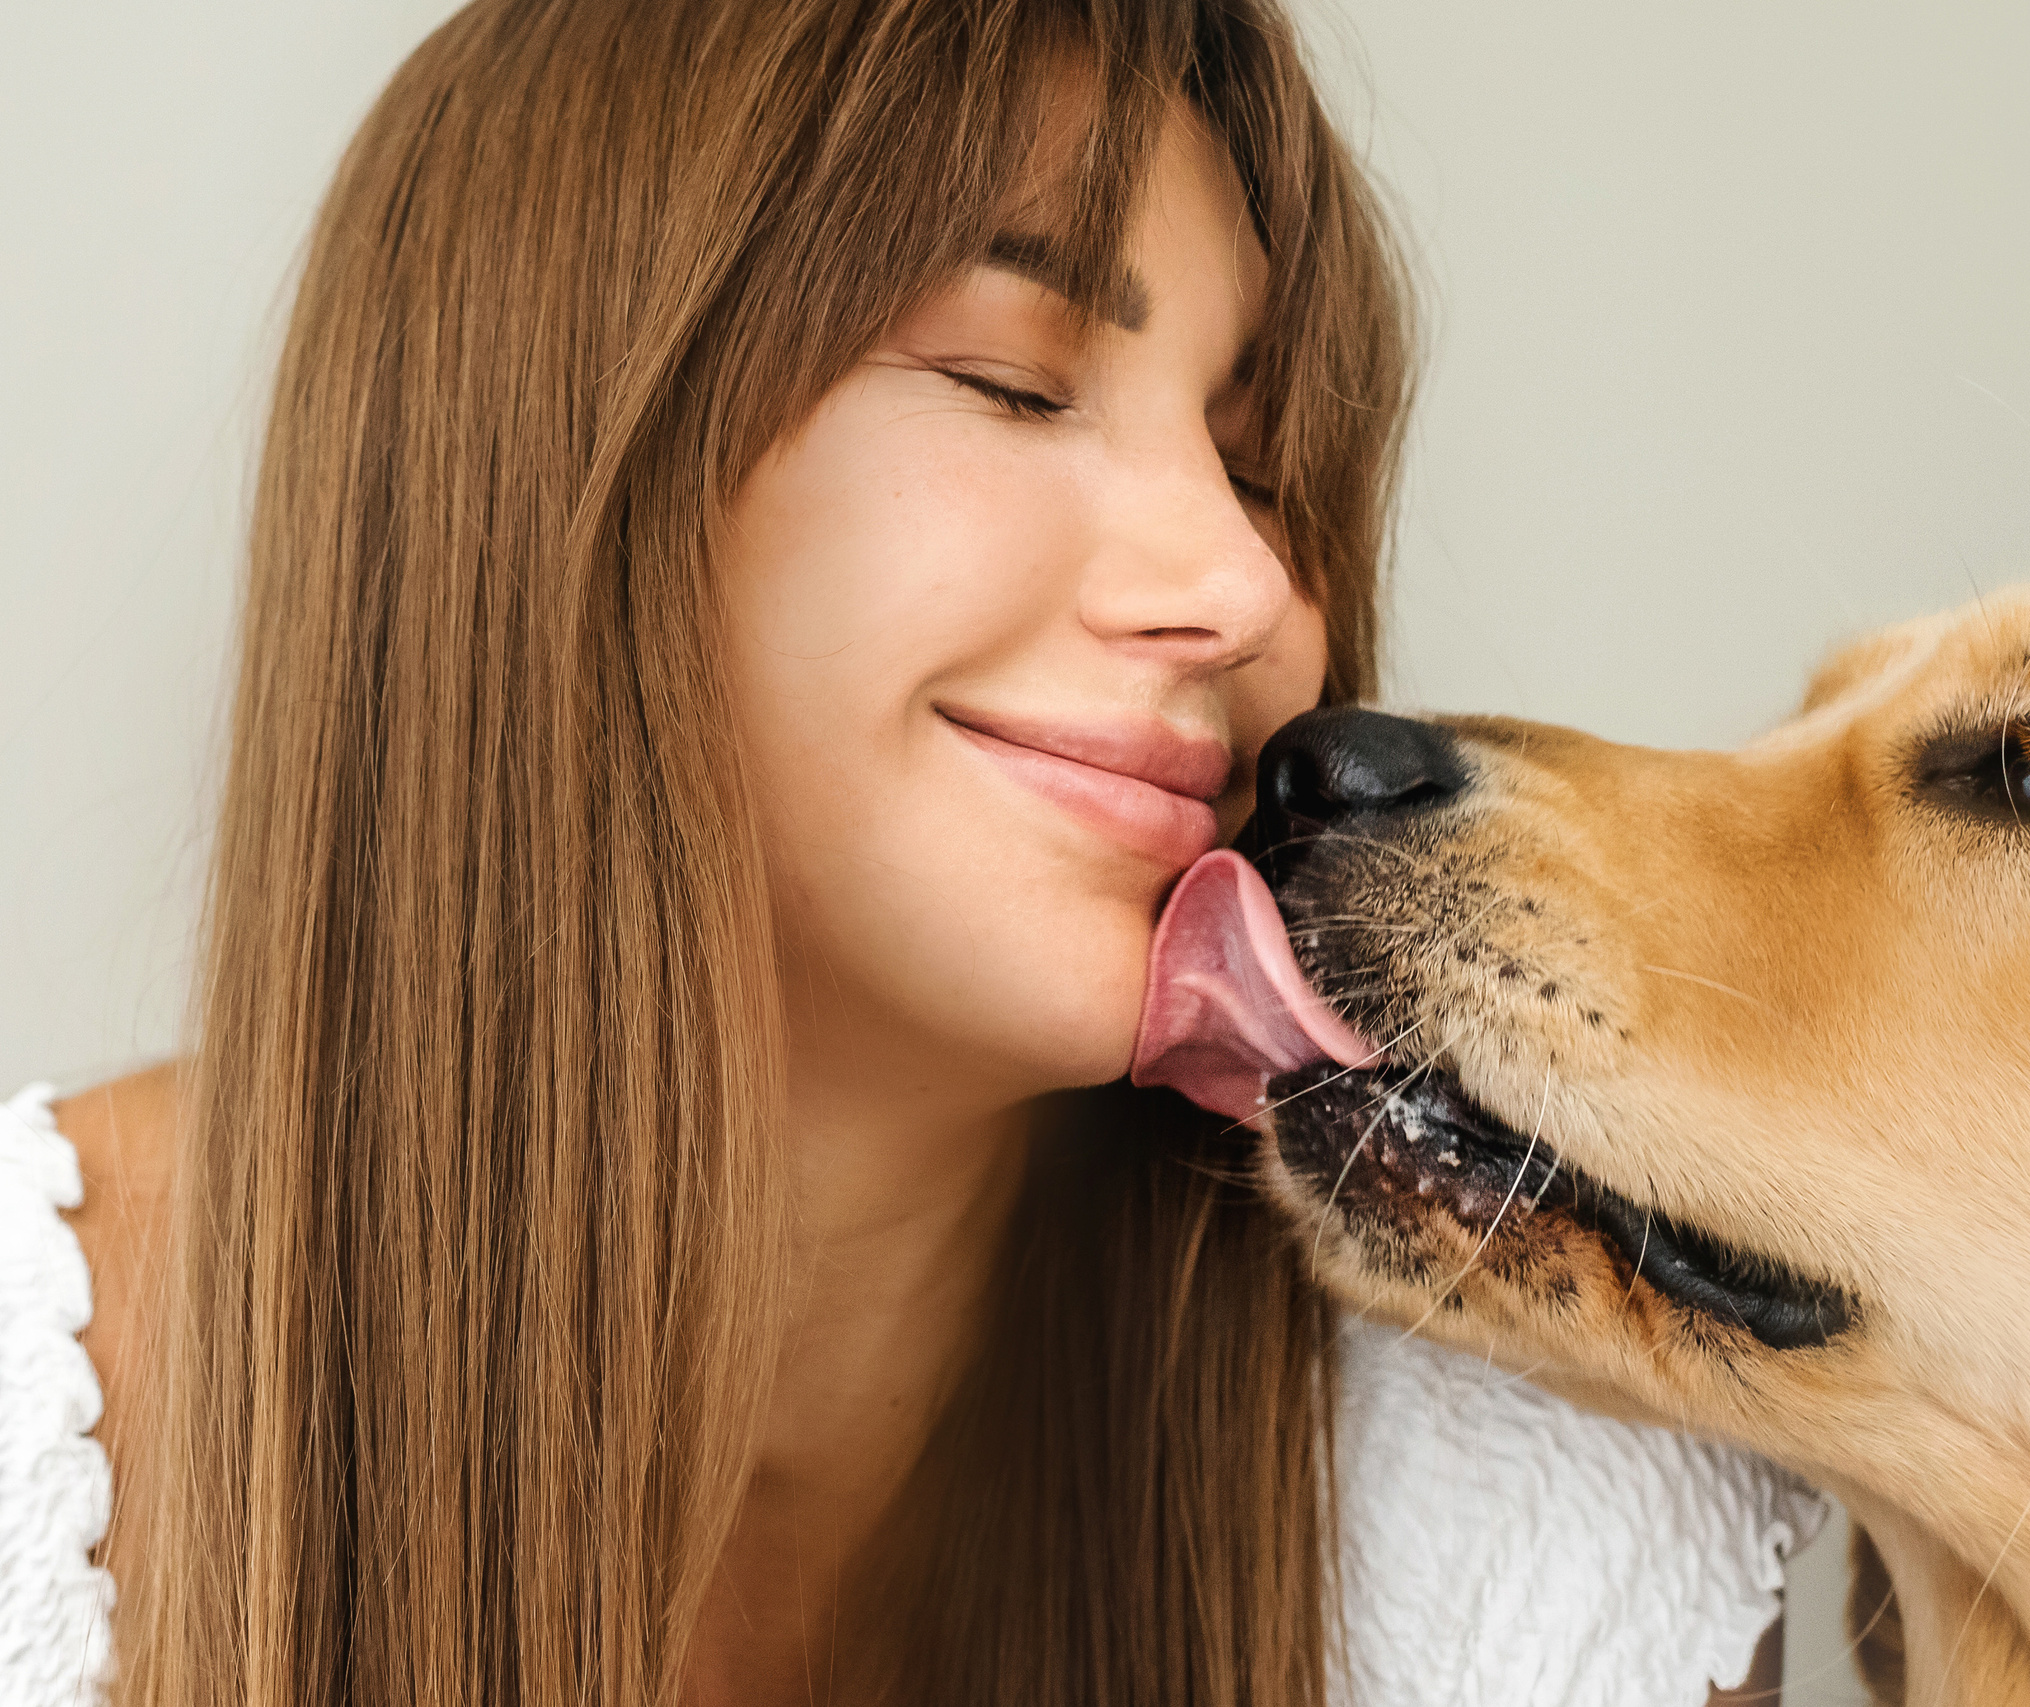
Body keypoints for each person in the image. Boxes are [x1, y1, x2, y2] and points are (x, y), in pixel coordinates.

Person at [0, 1, 1819, 1701]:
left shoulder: (1528, 1494)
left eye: (1263, 467)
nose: (1250, 591)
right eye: (1018, 387)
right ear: (555, 473)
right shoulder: (38, 1430)